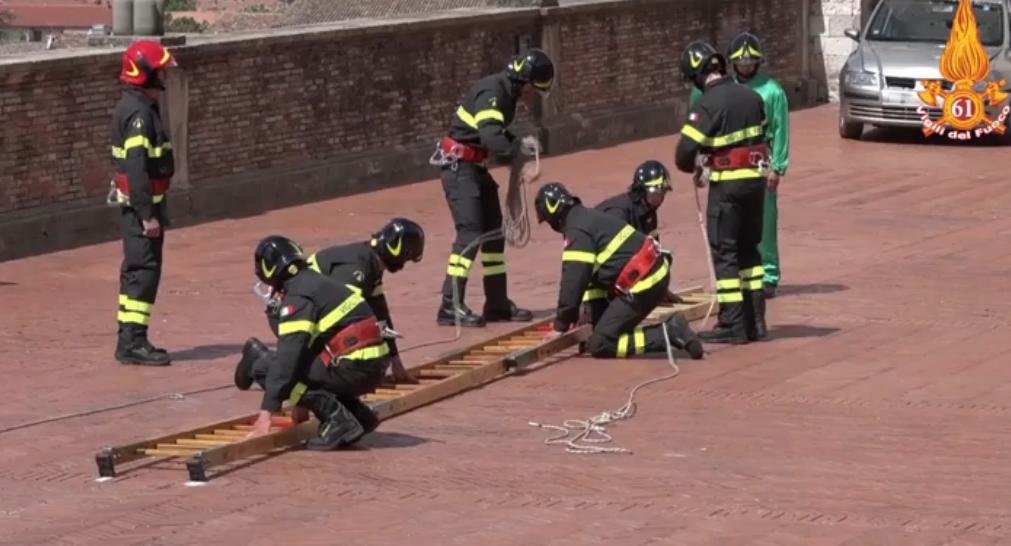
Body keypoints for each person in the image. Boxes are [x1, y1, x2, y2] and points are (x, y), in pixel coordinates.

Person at [430, 48, 556, 328]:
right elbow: (489, 136)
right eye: (533, 89)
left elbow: (494, 132)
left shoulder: (505, 93)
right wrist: (519, 163)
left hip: (475, 168)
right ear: (524, 81)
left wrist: (518, 145)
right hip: (460, 170)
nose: (531, 95)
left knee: (493, 236)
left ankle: (497, 303)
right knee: (470, 235)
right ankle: (449, 305)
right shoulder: (493, 92)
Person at [239, 235, 392, 450]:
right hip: (372, 367)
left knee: (266, 366)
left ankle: (340, 422)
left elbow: (287, 360)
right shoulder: (316, 283)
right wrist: (301, 403)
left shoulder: (298, 296)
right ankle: (357, 415)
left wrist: (266, 414)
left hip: (354, 367)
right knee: (306, 366)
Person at [534, 182, 704, 360]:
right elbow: (593, 278)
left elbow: (574, 280)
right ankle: (667, 331)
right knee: (598, 336)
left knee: (600, 344)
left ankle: (668, 333)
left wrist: (560, 325)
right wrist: (593, 318)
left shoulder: (577, 231)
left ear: (552, 213)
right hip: (651, 276)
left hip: (644, 283)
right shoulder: (587, 217)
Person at [674, 41, 769, 344]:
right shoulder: (753, 97)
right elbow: (761, 135)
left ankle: (732, 323)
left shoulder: (707, 104)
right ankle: (756, 322)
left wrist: (698, 165)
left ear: (697, 77)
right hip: (756, 185)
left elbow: (683, 152)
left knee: (725, 252)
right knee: (749, 250)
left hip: (728, 186)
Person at [690, 32, 790, 299]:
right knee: (729, 225)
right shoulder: (723, 88)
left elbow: (780, 130)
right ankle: (734, 275)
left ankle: (768, 274)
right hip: (726, 162)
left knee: (764, 222)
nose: (746, 66)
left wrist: (777, 167)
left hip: (759, 162)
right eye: (741, 62)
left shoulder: (772, 91)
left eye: (750, 61)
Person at [110, 40, 178, 366]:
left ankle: (130, 339)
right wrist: (147, 214)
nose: (164, 73)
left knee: (137, 273)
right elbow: (137, 168)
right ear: (146, 74)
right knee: (142, 273)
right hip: (142, 211)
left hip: (143, 207)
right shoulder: (139, 114)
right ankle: (133, 343)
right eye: (160, 69)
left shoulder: (135, 106)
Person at [302, 217, 425, 384]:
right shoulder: (358, 269)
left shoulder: (372, 264)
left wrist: (397, 365)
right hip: (294, 313)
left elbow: (381, 317)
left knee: (369, 327)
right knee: (357, 331)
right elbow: (342, 320)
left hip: (311, 308)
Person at [585, 160, 684, 312]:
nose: (661, 198)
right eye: (657, 193)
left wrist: (659, 289)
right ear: (642, 190)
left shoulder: (648, 213)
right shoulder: (618, 213)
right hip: (593, 282)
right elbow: (602, 261)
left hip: (613, 276)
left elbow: (653, 254)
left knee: (661, 259)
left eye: (663, 193)